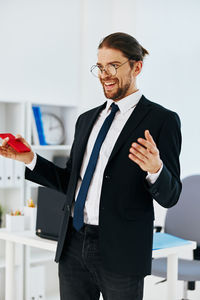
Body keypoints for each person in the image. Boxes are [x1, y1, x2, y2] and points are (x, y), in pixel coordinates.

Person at [0, 32, 182, 300]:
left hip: (122, 251)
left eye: (113, 66)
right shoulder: (86, 120)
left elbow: (171, 196)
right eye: (100, 66)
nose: (104, 74)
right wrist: (30, 159)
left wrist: (156, 169)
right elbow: (69, 182)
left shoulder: (161, 120)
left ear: (137, 66)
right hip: (73, 244)